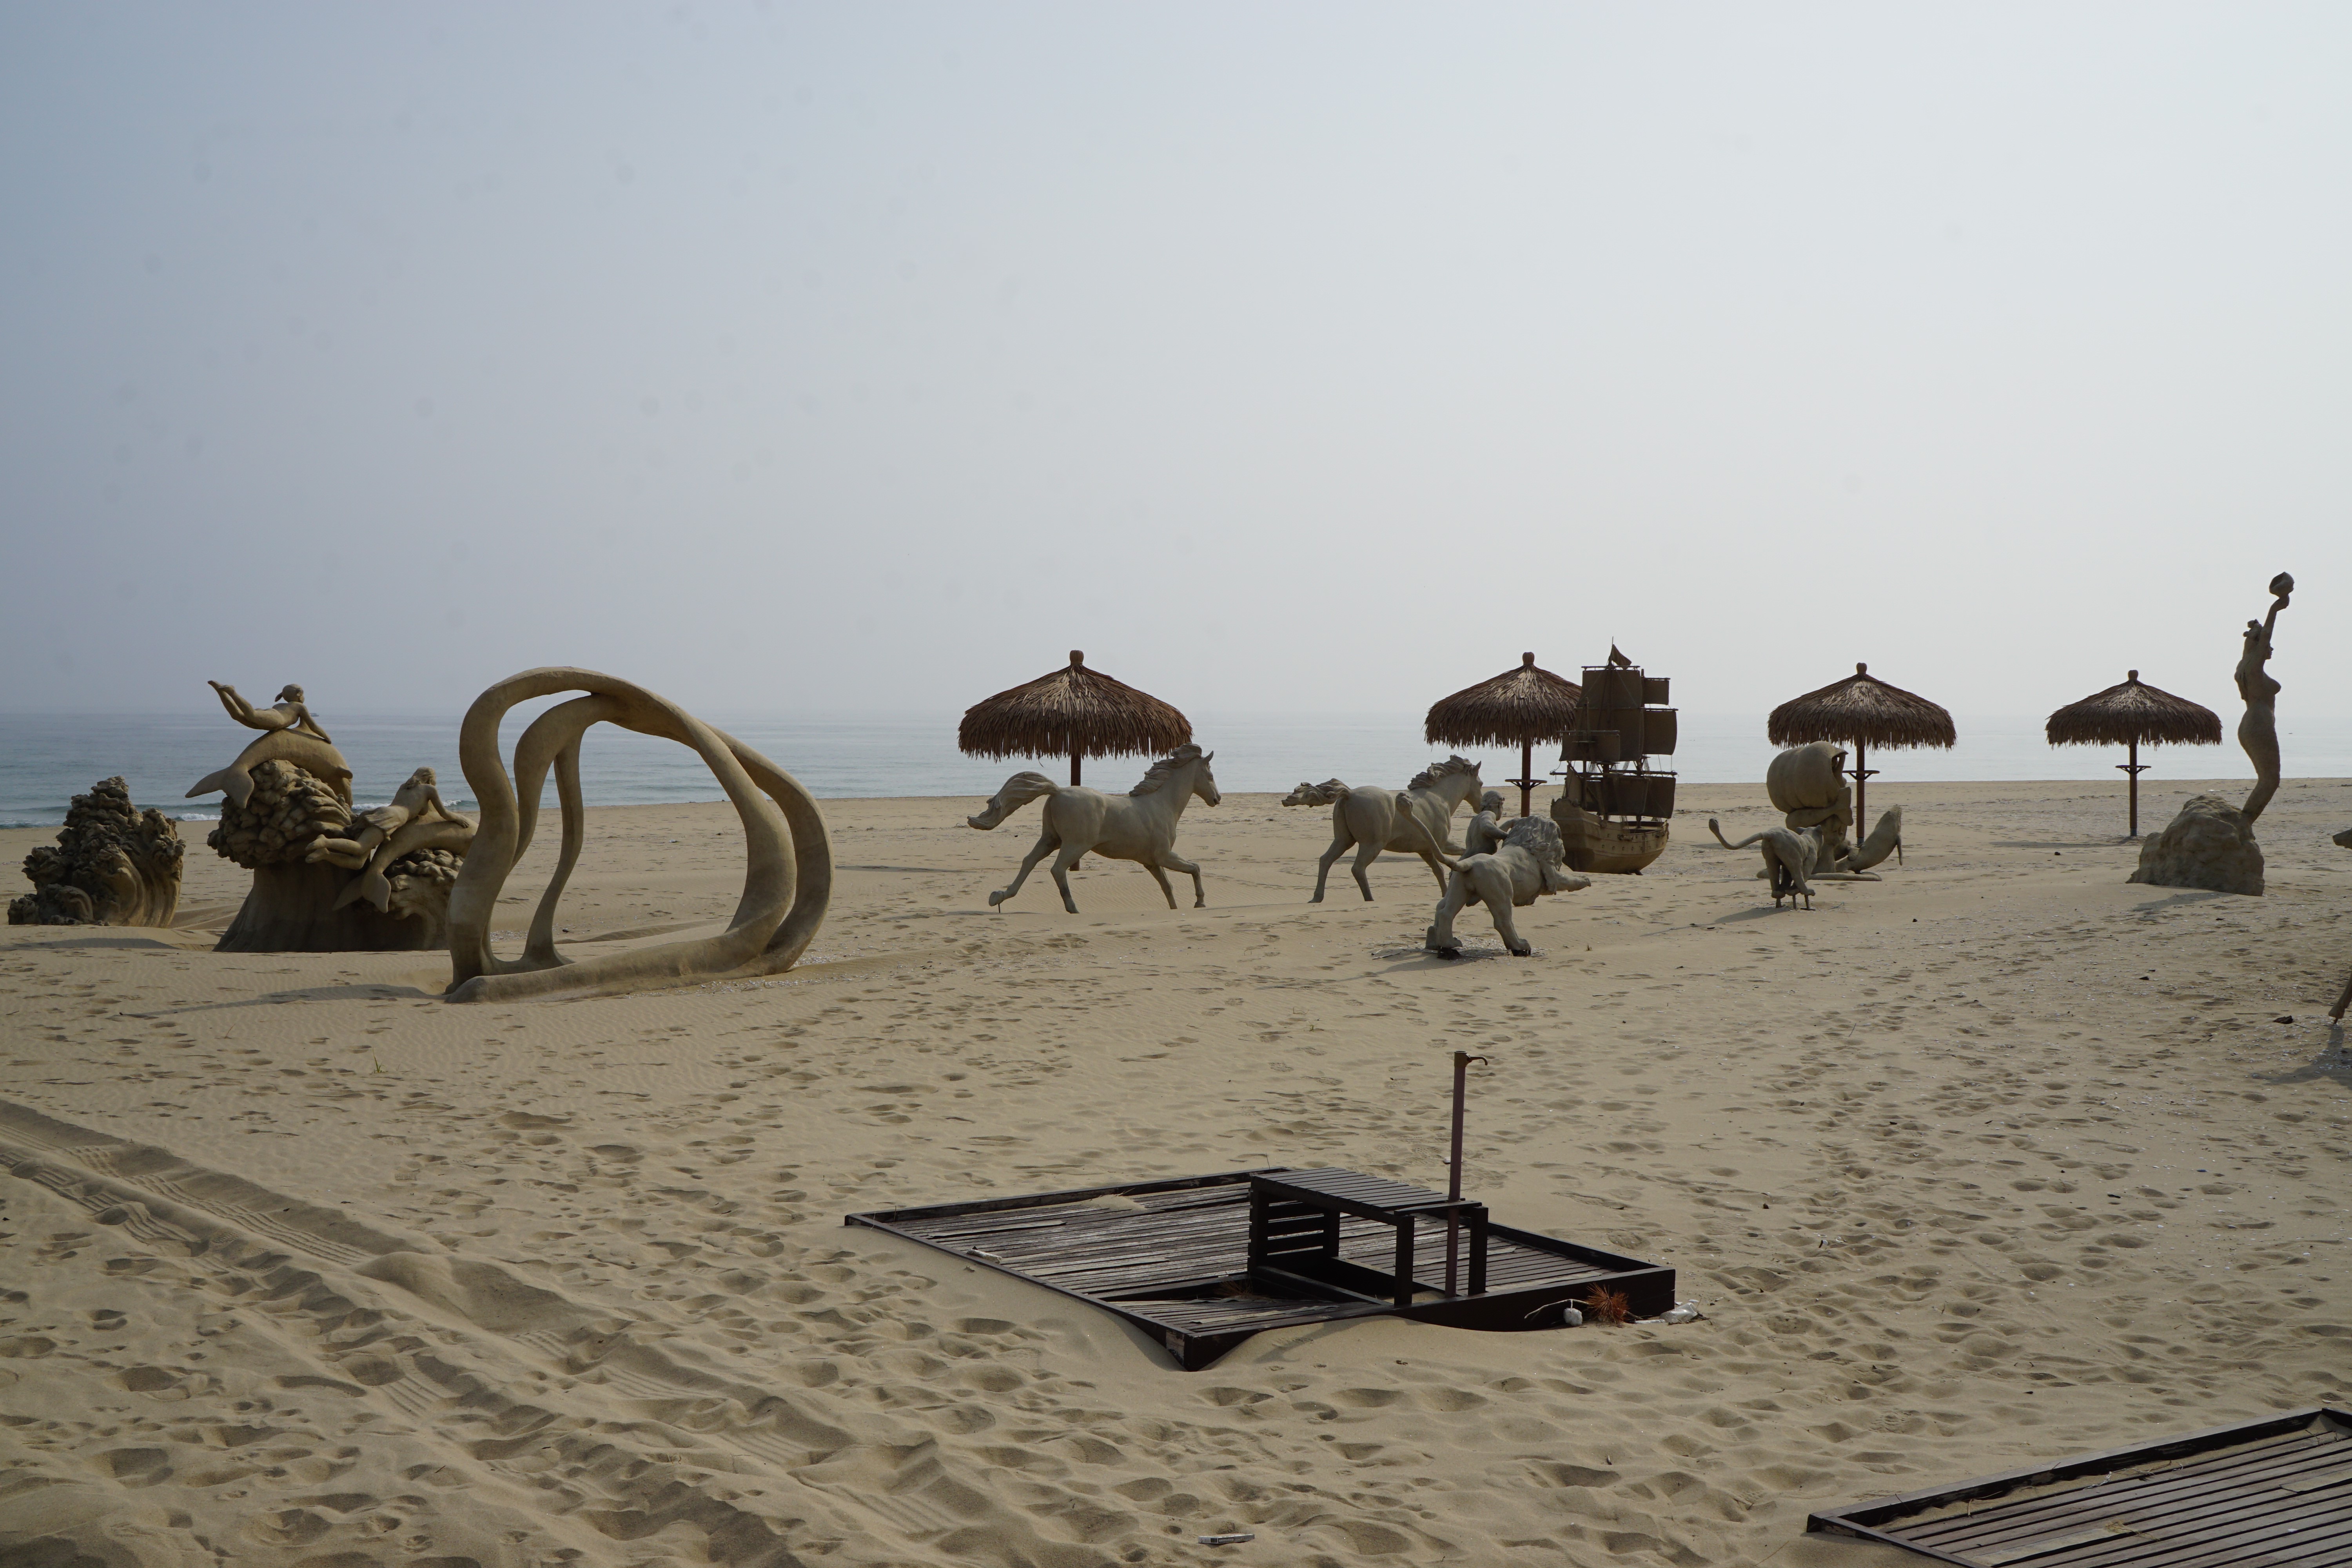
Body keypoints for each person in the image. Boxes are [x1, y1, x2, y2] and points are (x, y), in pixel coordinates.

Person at [307, 767, 463, 869]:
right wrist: (457, 819)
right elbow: (444, 813)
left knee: (358, 863)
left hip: (383, 812)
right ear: (430, 779)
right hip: (392, 818)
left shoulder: (405, 787)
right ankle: (325, 841)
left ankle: (326, 854)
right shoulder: (429, 790)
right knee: (360, 847)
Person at [2235, 575, 2292, 824]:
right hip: (2258, 722)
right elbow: (2266, 635)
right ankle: (2244, 825)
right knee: (2270, 780)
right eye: (2267, 646)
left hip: (2250, 723)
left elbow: (2261, 641)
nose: (2272, 649)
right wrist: (2275, 609)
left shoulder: (2245, 665)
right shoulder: (2254, 667)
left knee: (2268, 779)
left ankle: (2244, 824)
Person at [208, 681, 333, 744]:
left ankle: (221, 692)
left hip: (271, 716)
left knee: (237, 716)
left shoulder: (280, 705)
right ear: (299, 695)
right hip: (276, 719)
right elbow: (313, 726)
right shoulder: (300, 707)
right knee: (251, 714)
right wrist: (327, 737)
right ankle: (232, 692)